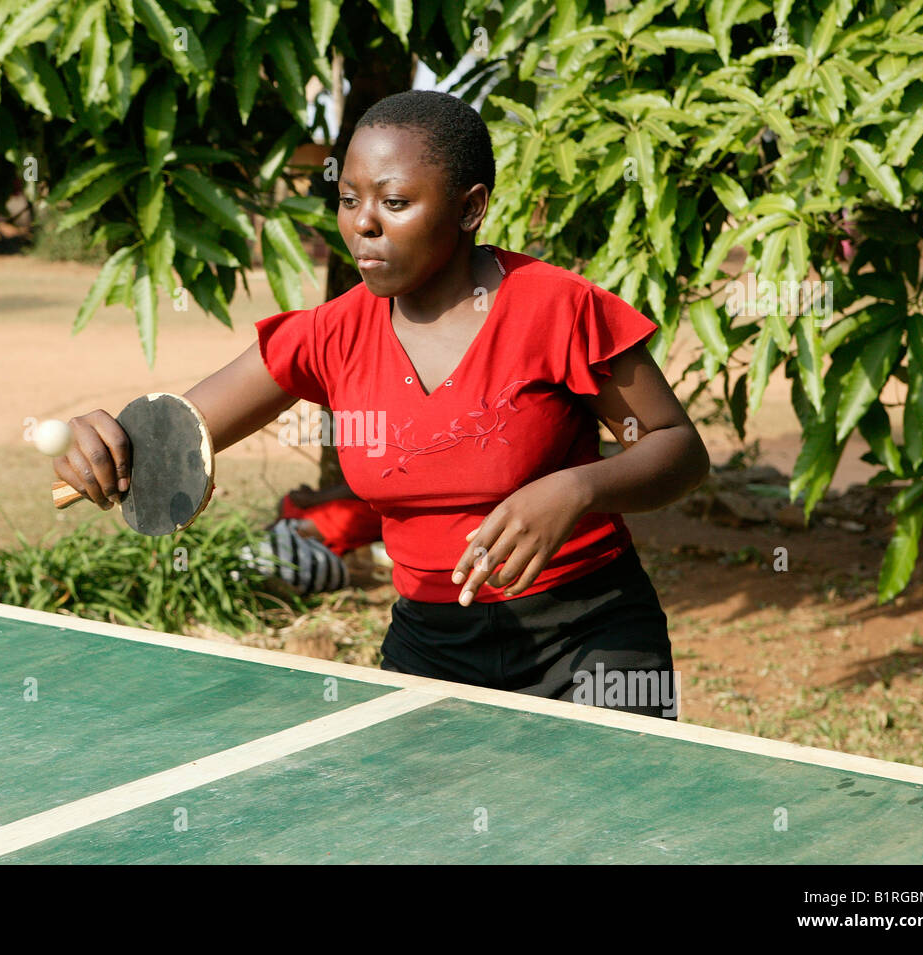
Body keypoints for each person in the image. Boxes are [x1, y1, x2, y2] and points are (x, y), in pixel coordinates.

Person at [55, 91, 710, 720]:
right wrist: (98, 442)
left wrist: (576, 489)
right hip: (429, 647)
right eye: (347, 200)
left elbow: (675, 446)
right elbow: (171, 439)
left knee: (604, 835)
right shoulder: (332, 333)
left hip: (590, 639)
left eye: (394, 201)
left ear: (470, 207)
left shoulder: (557, 308)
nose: (362, 223)